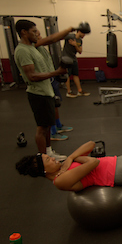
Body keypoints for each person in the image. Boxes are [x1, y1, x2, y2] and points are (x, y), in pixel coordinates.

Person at [14, 19, 71, 161]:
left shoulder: (32, 47)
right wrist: (56, 73)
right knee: (41, 128)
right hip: (37, 94)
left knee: (47, 126)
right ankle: (43, 159)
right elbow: (32, 76)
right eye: (34, 32)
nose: (36, 34)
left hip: (46, 91)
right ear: (24, 32)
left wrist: (69, 30)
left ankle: (48, 152)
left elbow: (52, 39)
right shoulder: (22, 51)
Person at [34, 30, 74, 141]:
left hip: (51, 80)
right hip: (44, 82)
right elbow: (52, 39)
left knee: (55, 104)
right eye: (37, 35)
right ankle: (52, 132)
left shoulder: (41, 48)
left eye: (39, 34)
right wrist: (69, 30)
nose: (40, 37)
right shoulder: (33, 46)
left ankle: (58, 125)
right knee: (50, 107)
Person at [63, 27, 90, 97]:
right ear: (79, 31)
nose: (84, 35)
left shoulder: (80, 40)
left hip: (73, 58)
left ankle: (80, 91)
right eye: (83, 33)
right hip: (66, 58)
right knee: (67, 75)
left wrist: (75, 45)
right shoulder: (70, 36)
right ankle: (69, 92)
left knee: (75, 74)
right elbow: (61, 36)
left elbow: (80, 51)